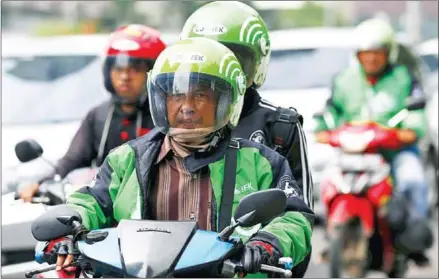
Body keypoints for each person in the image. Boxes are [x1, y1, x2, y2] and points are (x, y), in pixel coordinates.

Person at [43, 37, 314, 277]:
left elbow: (294, 218)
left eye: (200, 96)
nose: (186, 107)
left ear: (226, 100)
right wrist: (66, 229)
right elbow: (89, 201)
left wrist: (266, 243)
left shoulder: (260, 162)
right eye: (176, 95)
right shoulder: (126, 159)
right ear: (161, 100)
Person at [314, 18, 433, 267]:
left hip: (394, 152)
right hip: (353, 153)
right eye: (365, 54)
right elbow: (330, 113)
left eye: (376, 54)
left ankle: (412, 239)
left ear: (388, 53)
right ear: (357, 55)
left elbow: (416, 120)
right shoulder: (345, 79)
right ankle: (330, 235)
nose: (371, 59)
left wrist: (402, 132)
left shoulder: (404, 78)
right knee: (326, 182)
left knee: (412, 180)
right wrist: (324, 129)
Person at [179, 1, 314, 213]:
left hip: (256, 244)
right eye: (208, 60)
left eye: (234, 60)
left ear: (258, 61)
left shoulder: (280, 126)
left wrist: (265, 245)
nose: (222, 73)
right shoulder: (176, 120)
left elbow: (299, 214)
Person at [19, 24, 166, 202]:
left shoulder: (165, 116)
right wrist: (40, 182)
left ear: (153, 72)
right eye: (118, 68)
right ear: (108, 71)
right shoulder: (98, 115)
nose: (125, 76)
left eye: (135, 68)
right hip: (106, 207)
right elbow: (72, 159)